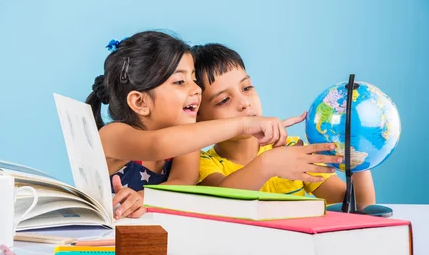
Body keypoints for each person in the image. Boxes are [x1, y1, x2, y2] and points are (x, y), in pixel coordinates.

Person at [85, 31, 306, 219]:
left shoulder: (186, 140)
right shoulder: (113, 135)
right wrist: (245, 124)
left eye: (194, 80)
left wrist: (145, 197)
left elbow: (183, 183)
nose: (197, 89)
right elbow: (157, 144)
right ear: (140, 102)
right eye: (181, 82)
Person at [192, 42, 376, 208]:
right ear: (198, 116)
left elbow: (357, 206)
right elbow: (220, 204)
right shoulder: (201, 164)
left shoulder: (291, 151)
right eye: (224, 100)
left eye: (247, 88)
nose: (244, 103)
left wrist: (358, 153)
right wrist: (269, 164)